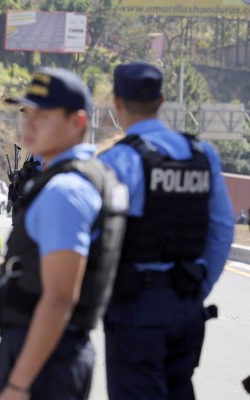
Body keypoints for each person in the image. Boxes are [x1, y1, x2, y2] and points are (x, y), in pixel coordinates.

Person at [0, 68, 128, 400]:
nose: (29, 124)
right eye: (27, 113)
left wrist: (18, 384)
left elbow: (59, 297)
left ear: (77, 123)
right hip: (51, 354)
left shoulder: (65, 190)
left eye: (43, 116)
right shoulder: (81, 177)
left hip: (44, 360)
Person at [99, 61, 235, 400]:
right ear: (161, 101)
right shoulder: (202, 154)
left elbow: (95, 242)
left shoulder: (118, 161)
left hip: (135, 308)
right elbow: (221, 230)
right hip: (186, 305)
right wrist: (195, 290)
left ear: (117, 102)